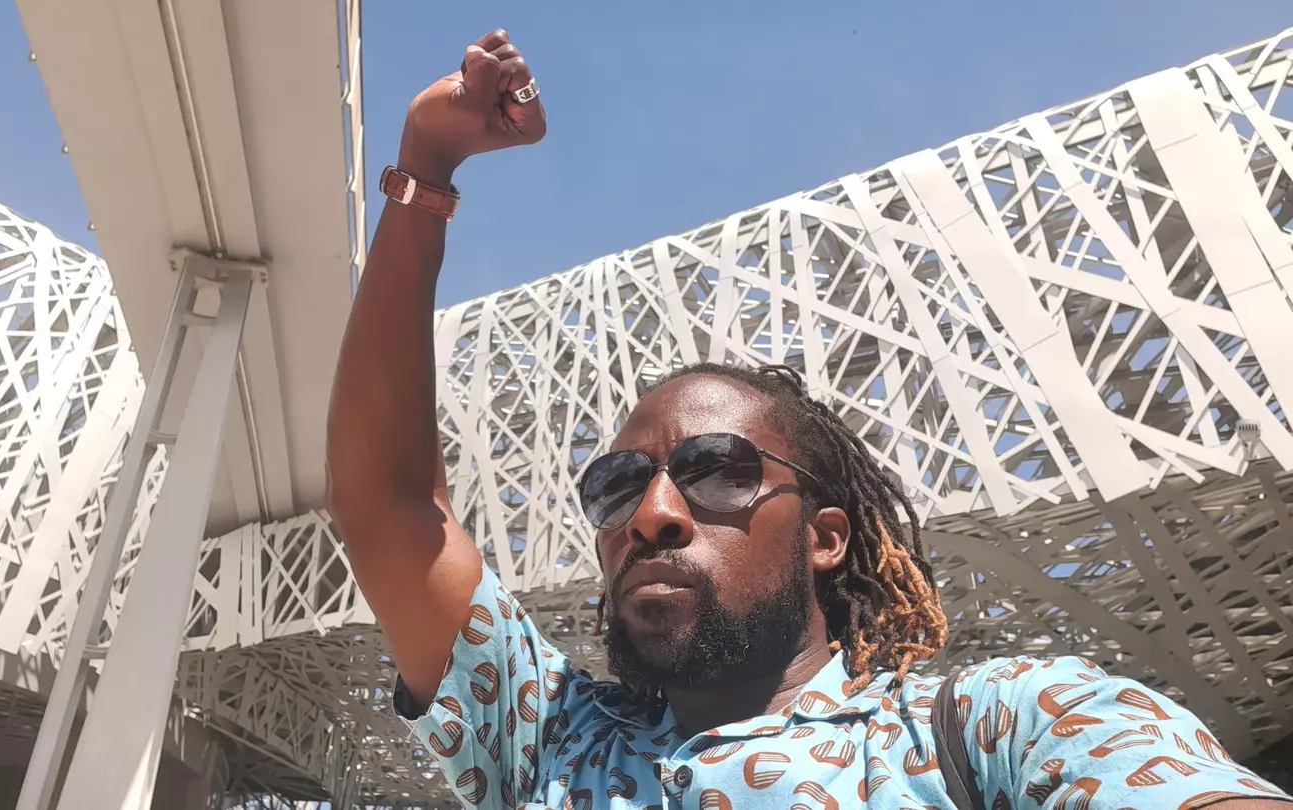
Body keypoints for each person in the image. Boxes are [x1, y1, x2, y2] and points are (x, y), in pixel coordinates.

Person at [325, 29, 1291, 810]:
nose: (653, 514)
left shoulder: (1010, 724)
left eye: (718, 470)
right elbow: (393, 503)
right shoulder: (547, 743)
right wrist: (425, 168)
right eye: (617, 485)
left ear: (825, 536)